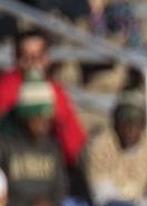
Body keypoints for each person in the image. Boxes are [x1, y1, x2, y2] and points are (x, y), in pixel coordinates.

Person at [0, 29, 86, 168]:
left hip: (48, 165)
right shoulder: (5, 87)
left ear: (47, 58)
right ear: (16, 58)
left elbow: (74, 144)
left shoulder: (56, 91)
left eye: (38, 56)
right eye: (25, 56)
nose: (33, 62)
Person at [85, 92, 147, 206]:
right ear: (115, 124)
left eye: (135, 124)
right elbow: (100, 190)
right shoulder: (99, 146)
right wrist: (127, 203)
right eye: (125, 123)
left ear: (143, 125)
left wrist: (145, 201)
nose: (130, 130)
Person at [0, 75, 68, 206]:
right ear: (25, 116)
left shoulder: (52, 148)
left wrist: (49, 205)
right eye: (37, 116)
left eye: (46, 117)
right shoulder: (6, 146)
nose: (43, 122)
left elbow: (60, 189)